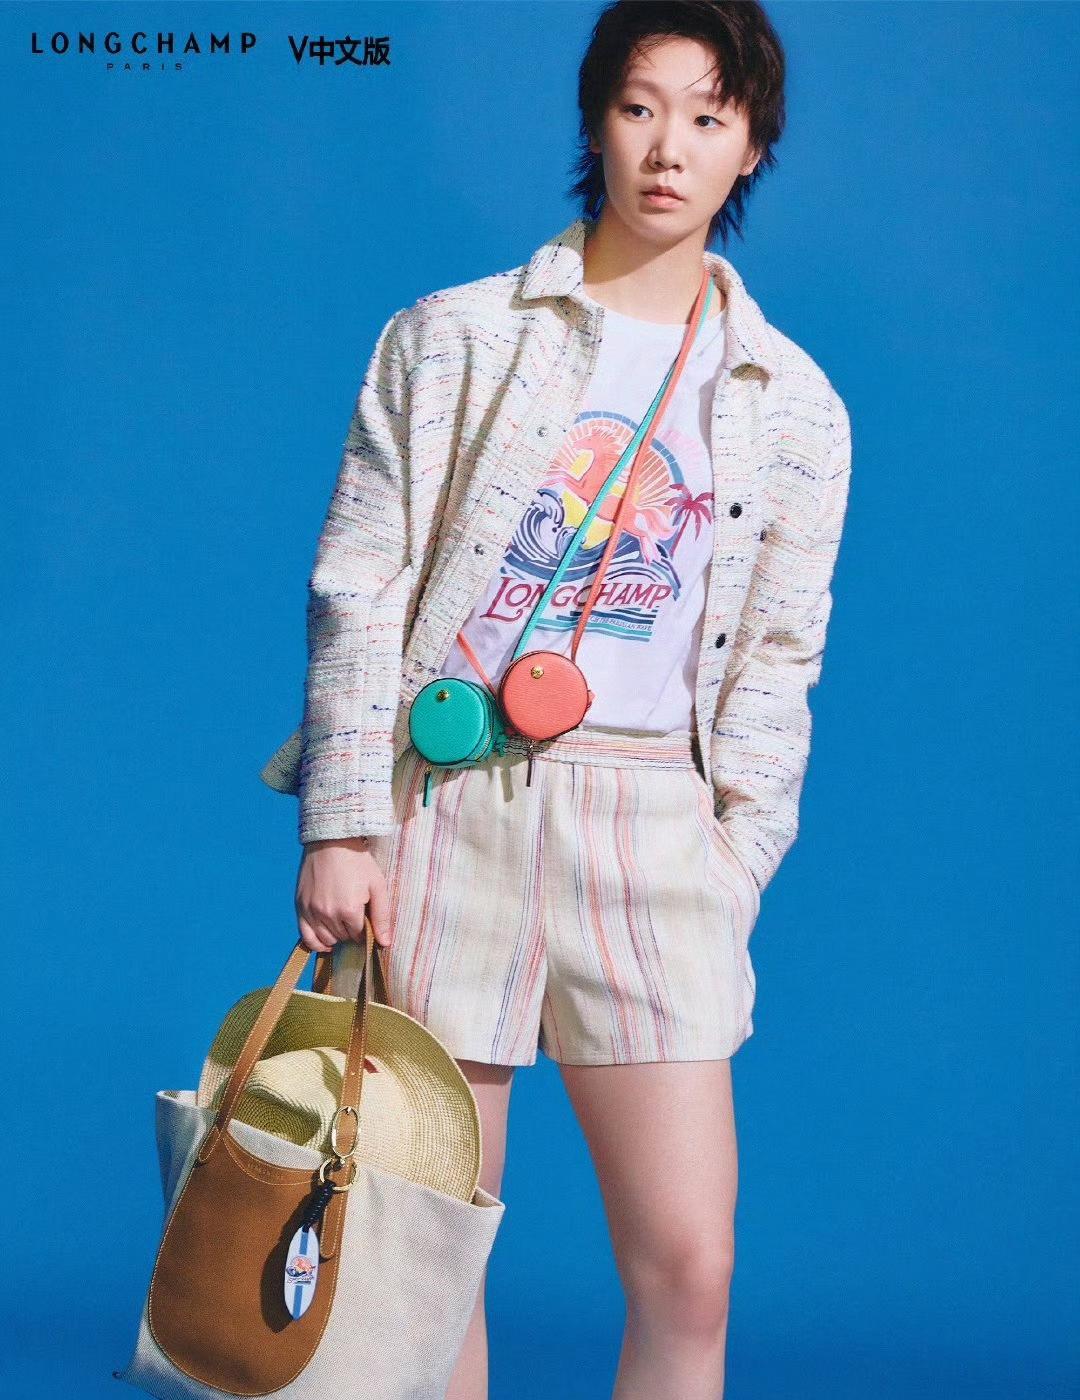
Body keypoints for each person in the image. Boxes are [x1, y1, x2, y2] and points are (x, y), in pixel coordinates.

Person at [260, 3, 851, 1396]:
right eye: (641, 107)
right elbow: (361, 586)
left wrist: (735, 860)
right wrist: (343, 822)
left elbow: (778, 661)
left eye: (708, 116)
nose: (670, 147)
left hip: (652, 824)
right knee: (423, 1253)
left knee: (689, 1265)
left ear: (753, 145)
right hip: (447, 808)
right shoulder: (454, 338)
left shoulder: (794, 404)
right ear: (596, 121)